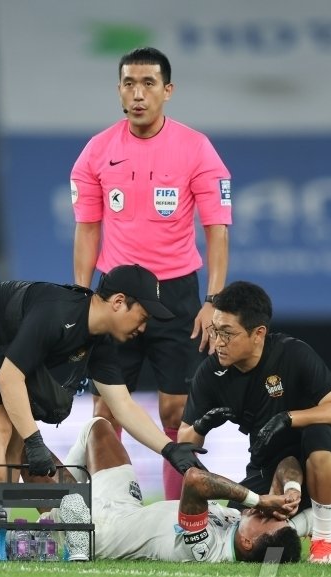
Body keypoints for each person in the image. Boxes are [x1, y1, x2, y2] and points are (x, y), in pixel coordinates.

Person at [0, 264, 207, 557]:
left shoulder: (98, 342)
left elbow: (123, 405)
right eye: (143, 316)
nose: (144, 328)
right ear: (118, 302)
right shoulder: (58, 312)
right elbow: (9, 377)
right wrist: (35, 441)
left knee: (13, 440)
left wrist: (169, 449)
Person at [71, 46, 231, 500]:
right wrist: (80, 298)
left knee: (177, 410)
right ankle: (110, 510)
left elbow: (217, 230)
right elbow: (87, 228)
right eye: (129, 84)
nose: (138, 93)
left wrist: (213, 301)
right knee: (106, 411)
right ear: (119, 90)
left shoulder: (196, 148)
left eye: (148, 83)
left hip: (177, 293)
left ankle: (181, 519)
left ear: (168, 90)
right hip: (116, 296)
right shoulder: (97, 151)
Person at [176, 281, 331, 564]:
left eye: (228, 333)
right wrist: (201, 426)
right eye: (215, 330)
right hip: (270, 463)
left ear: (258, 333)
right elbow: (183, 444)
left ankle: (324, 541)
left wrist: (288, 418)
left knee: (318, 435)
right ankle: (313, 518)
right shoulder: (210, 374)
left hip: (322, 453)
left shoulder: (292, 353)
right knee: (241, 527)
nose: (218, 342)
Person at [55, 417, 304, 563]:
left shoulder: (204, 548)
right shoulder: (242, 526)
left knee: (38, 460)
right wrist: (292, 492)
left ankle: (66, 520)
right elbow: (288, 462)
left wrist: (257, 500)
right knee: (98, 428)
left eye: (265, 520)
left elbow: (194, 479)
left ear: (247, 543)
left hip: (102, 532)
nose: (266, 512)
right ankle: (63, 506)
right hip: (127, 510)